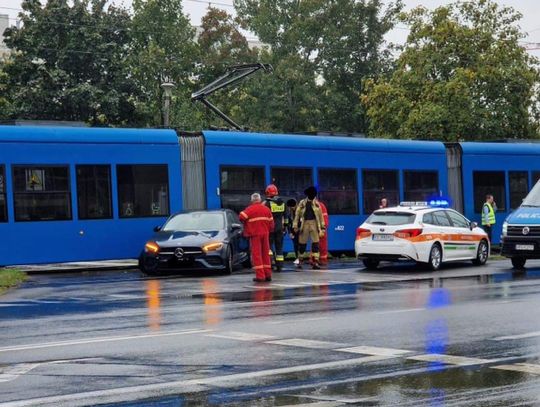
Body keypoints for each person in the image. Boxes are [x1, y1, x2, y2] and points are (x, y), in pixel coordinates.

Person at [239, 193, 274, 282]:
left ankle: (260, 276)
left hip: (255, 235)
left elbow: (241, 217)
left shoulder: (250, 209)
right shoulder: (266, 209)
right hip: (265, 234)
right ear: (260, 200)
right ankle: (268, 275)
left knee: (257, 255)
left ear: (252, 200)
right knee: (265, 254)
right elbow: (271, 224)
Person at [293, 186, 326, 270]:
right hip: (304, 224)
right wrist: (295, 226)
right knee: (302, 244)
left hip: (314, 224)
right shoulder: (302, 203)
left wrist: (322, 228)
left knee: (316, 244)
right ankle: (300, 261)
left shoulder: (317, 204)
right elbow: (297, 215)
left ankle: (315, 262)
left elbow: (321, 217)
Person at [264, 184, 286, 272]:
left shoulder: (267, 203)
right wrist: (286, 227)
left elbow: (265, 216)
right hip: (280, 228)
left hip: (271, 228)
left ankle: (271, 263)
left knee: (269, 247)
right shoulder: (282, 203)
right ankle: (279, 266)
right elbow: (287, 217)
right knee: (279, 247)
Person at [286, 198, 300, 264]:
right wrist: (290, 233)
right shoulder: (290, 213)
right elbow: (289, 224)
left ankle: (300, 259)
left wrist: (298, 228)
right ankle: (298, 258)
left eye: (293, 206)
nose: (292, 208)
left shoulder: (300, 212)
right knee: (295, 245)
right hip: (293, 233)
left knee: (300, 245)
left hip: (300, 231)